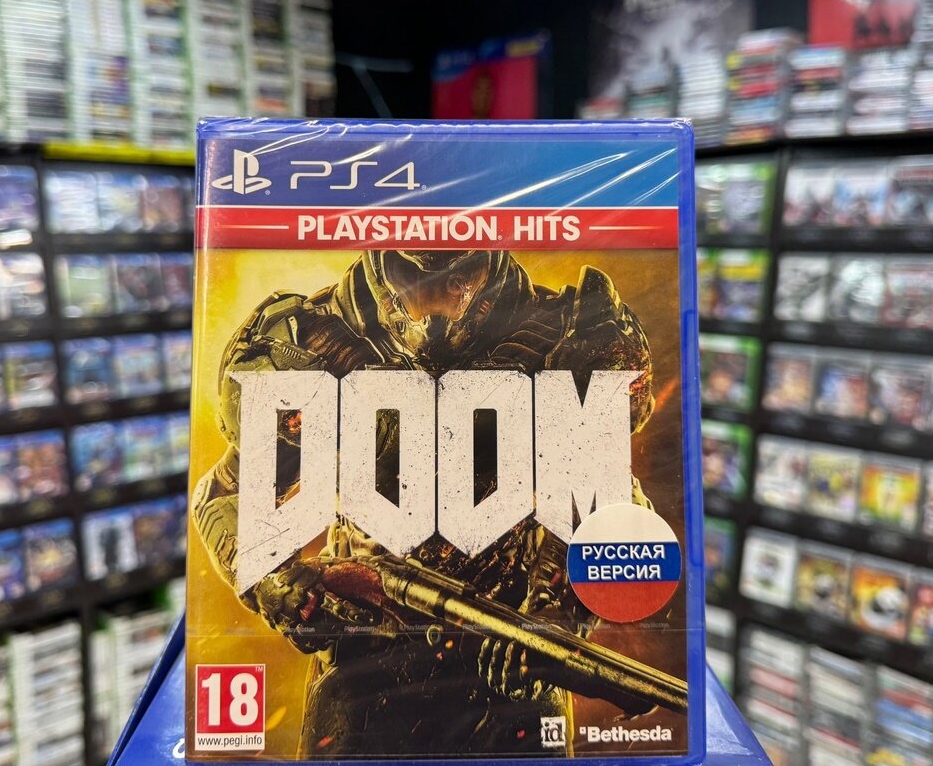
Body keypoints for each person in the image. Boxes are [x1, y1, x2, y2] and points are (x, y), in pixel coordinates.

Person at [192, 249, 657, 757]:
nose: (437, 303)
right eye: (416, 278)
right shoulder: (311, 341)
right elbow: (225, 492)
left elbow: (614, 507)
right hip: (363, 658)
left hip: (512, 657)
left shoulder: (567, 335)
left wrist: (558, 616)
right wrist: (276, 582)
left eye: (457, 278)